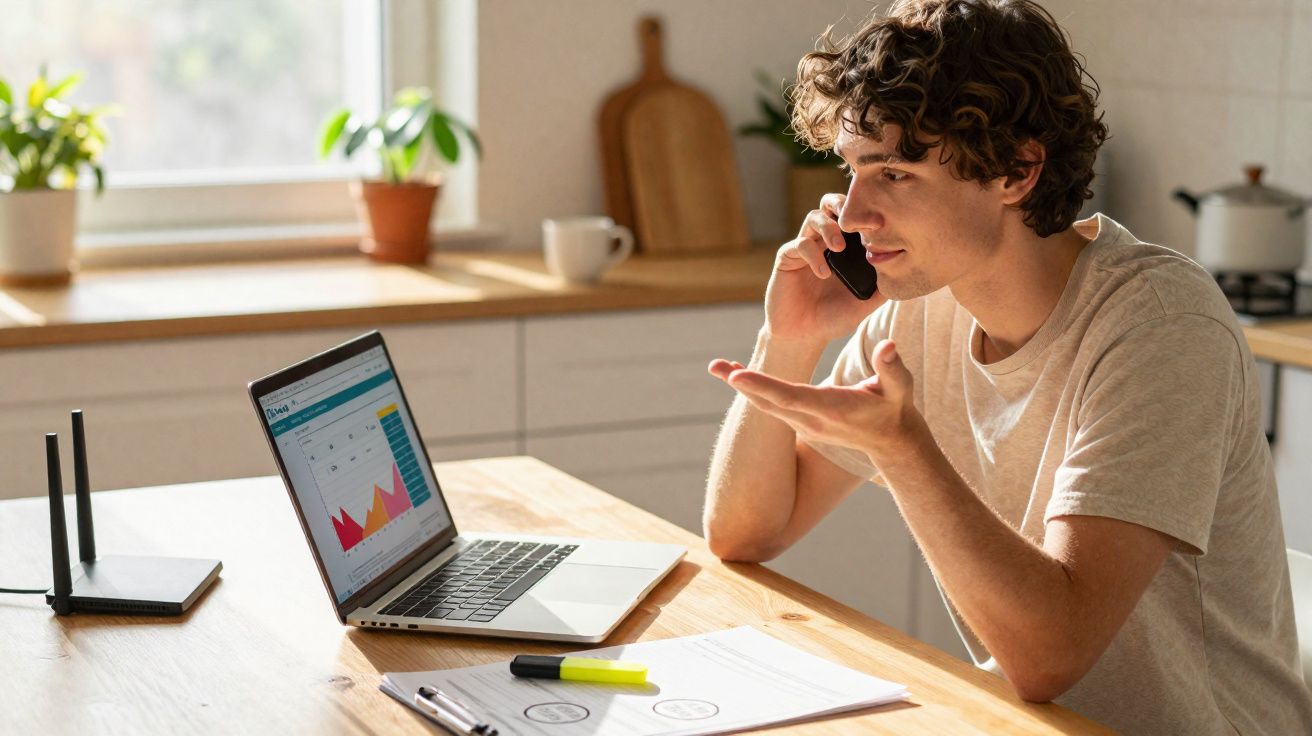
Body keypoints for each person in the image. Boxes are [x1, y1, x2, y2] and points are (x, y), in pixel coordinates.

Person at [702, 1, 1312, 732]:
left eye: (894, 172)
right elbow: (745, 533)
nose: (854, 214)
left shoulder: (1161, 325)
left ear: (1017, 171)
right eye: (853, 170)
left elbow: (1051, 654)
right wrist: (789, 340)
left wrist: (903, 450)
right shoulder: (922, 307)